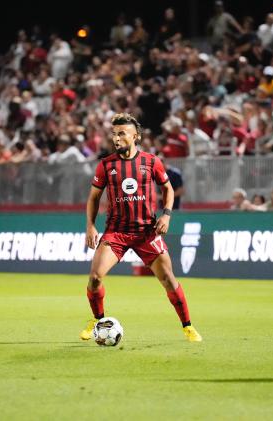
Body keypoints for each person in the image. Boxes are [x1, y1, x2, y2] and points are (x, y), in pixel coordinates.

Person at [81, 113, 202, 342]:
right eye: (114, 134)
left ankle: (187, 326)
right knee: (95, 278)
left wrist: (166, 215)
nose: (116, 138)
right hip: (116, 232)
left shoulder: (151, 161)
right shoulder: (106, 165)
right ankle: (98, 321)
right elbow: (94, 198)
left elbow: (168, 189)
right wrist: (90, 226)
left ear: (135, 136)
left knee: (168, 278)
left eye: (122, 134)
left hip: (147, 231)